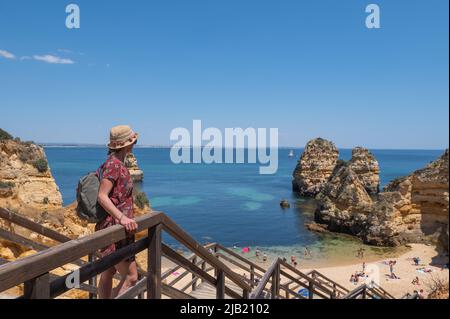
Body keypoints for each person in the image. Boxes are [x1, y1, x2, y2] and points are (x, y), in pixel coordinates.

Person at [96, 125, 139, 299]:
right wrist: (122, 218)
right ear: (126, 144)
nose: (135, 144)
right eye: (133, 141)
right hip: (115, 230)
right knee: (131, 277)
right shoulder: (114, 165)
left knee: (107, 274)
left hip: (111, 227)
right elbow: (102, 196)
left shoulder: (112, 162)